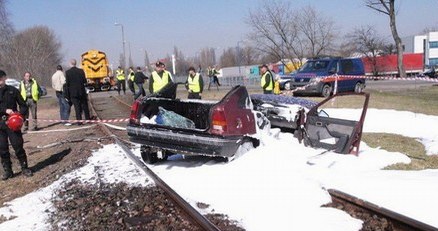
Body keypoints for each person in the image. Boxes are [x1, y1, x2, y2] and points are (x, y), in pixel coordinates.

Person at [0, 69, 33, 180]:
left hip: (13, 124)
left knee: (18, 145)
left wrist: (20, 116)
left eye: (1, 78)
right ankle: (8, 171)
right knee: (2, 148)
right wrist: (5, 110)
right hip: (0, 125)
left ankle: (25, 168)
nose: (0, 81)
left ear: (5, 78)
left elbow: (23, 105)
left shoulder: (12, 90)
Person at [65, 59, 90, 124]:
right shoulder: (81, 71)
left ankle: (79, 121)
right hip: (81, 91)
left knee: (77, 107)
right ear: (75, 63)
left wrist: (67, 95)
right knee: (85, 106)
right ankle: (88, 119)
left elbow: (67, 84)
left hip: (73, 93)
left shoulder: (68, 72)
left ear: (70, 64)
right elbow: (85, 81)